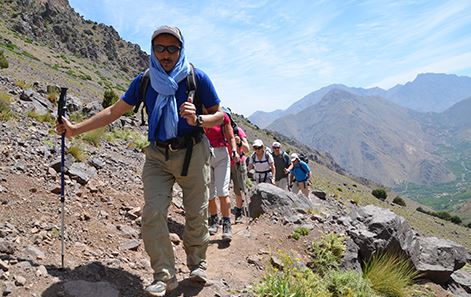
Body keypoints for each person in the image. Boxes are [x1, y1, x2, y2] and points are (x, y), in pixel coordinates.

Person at [56, 25, 224, 296]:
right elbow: (113, 111)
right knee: (153, 212)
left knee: (196, 212)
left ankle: (197, 263)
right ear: (152, 50)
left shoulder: (197, 78)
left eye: (172, 48)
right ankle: (164, 275)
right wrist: (75, 129)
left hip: (192, 153)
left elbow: (220, 115)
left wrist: (199, 119)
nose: (166, 55)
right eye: (160, 48)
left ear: (181, 50)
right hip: (157, 155)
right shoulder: (145, 80)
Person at [204, 110, 239, 241]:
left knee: (223, 192)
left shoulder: (222, 116)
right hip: (205, 154)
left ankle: (226, 223)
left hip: (221, 155)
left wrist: (234, 150)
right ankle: (213, 219)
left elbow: (230, 137)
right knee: (209, 193)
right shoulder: (198, 114)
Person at [230, 127, 250, 223]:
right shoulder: (220, 129)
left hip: (238, 163)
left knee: (239, 189)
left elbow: (247, 149)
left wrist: (240, 143)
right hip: (224, 162)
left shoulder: (238, 131)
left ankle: (239, 212)